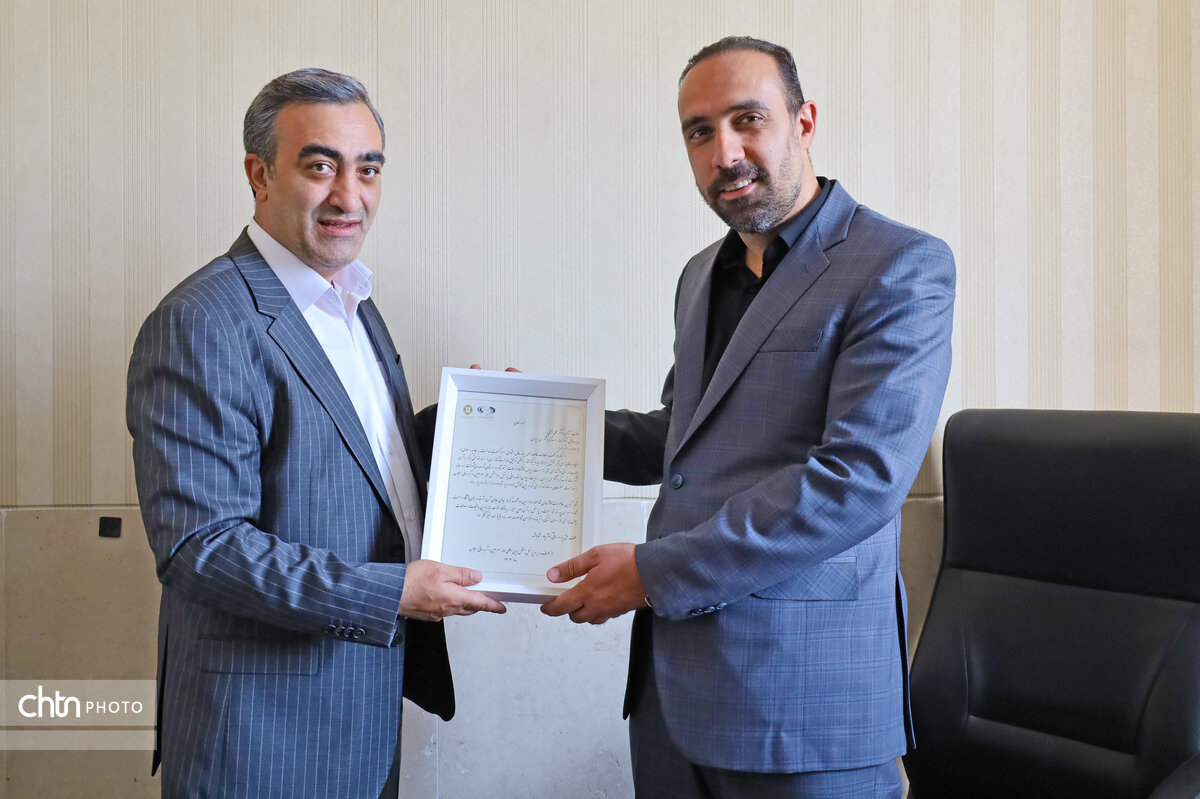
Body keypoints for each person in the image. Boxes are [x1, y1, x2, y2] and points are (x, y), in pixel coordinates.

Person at [542, 37, 955, 798]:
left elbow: (859, 481)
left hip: (804, 707)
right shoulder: (701, 273)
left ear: (804, 121)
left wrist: (651, 573)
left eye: (748, 120)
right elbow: (685, 439)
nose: (724, 152)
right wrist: (539, 424)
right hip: (672, 698)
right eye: (699, 131)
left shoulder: (900, 265)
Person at [126, 68, 505, 799]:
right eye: (321, 166)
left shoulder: (351, 298)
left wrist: (481, 425)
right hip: (261, 738)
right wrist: (391, 592)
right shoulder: (202, 322)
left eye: (368, 169)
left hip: (363, 711)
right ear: (259, 175)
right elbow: (199, 547)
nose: (349, 197)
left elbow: (353, 456)